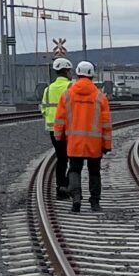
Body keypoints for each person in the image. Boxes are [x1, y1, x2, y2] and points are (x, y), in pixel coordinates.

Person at [61, 60, 111, 211]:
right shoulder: (100, 97)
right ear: (92, 76)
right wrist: (107, 145)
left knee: (74, 169)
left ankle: (76, 197)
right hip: (94, 143)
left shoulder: (67, 95)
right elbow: (106, 124)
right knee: (94, 171)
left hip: (74, 141)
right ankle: (95, 202)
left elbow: (60, 120)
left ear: (77, 74)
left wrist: (59, 138)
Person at [42, 57, 75, 201]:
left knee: (61, 159)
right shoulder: (70, 87)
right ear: (67, 71)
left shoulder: (48, 89)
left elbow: (43, 109)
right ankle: (69, 187)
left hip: (53, 130)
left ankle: (60, 190)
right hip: (69, 129)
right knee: (74, 159)